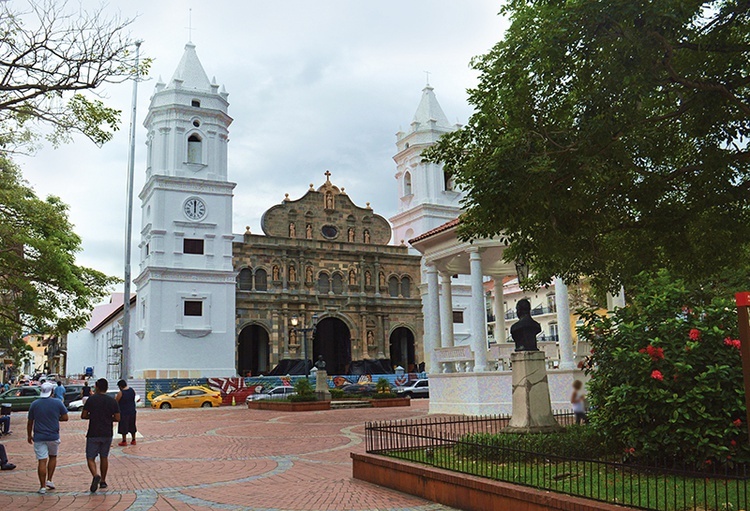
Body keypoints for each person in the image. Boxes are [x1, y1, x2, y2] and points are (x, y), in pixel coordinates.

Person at [27, 381, 69, 494]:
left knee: (42, 460)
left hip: (39, 436)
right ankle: (49, 480)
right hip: (53, 435)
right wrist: (56, 418)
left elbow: (30, 421)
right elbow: (65, 417)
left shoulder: (35, 404)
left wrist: (28, 435)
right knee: (53, 457)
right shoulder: (58, 403)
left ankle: (42, 487)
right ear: (52, 392)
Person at [81, 378, 120, 493]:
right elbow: (118, 418)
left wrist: (92, 416)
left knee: (90, 457)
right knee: (104, 457)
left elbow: (83, 415)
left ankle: (95, 475)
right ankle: (103, 480)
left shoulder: (91, 400)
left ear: (97, 387)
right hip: (107, 432)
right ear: (107, 388)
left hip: (93, 432)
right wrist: (108, 418)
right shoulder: (112, 401)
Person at [115, 379, 137, 446]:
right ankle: (133, 440)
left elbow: (116, 402)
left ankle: (124, 441)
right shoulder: (132, 390)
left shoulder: (121, 393)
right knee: (132, 425)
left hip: (124, 412)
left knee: (123, 426)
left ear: (120, 386)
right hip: (132, 411)